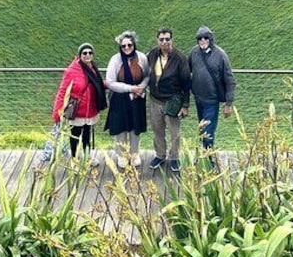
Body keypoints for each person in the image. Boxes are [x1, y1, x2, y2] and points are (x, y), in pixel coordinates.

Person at [52, 42, 107, 165]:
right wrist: (57, 112)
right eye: (84, 53)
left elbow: (96, 83)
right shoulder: (72, 71)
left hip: (90, 109)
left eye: (90, 53)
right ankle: (74, 159)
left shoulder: (93, 68)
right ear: (80, 55)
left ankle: (87, 157)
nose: (87, 55)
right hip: (78, 110)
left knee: (87, 134)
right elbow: (62, 91)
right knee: (75, 135)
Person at [146, 27, 190, 173]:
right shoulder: (152, 54)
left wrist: (185, 105)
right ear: (157, 40)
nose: (164, 42)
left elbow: (186, 82)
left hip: (172, 101)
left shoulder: (179, 58)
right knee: (157, 130)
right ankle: (160, 155)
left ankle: (174, 157)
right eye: (161, 39)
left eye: (167, 39)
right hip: (155, 100)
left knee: (174, 132)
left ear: (172, 40)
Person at [104, 30, 150, 169]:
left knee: (135, 127)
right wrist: (131, 88)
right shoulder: (115, 60)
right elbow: (110, 82)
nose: (127, 48)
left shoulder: (142, 58)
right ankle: (122, 155)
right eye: (124, 46)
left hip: (137, 98)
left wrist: (140, 88)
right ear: (120, 47)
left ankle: (135, 154)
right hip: (119, 99)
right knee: (120, 127)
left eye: (129, 45)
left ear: (134, 45)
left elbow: (147, 75)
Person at [188, 26, 236, 156]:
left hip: (212, 100)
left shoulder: (220, 55)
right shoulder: (194, 53)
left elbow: (229, 79)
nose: (202, 40)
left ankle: (209, 159)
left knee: (208, 132)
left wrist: (228, 104)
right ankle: (204, 155)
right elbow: (187, 72)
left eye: (205, 38)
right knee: (202, 130)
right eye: (199, 38)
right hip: (198, 99)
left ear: (211, 39)